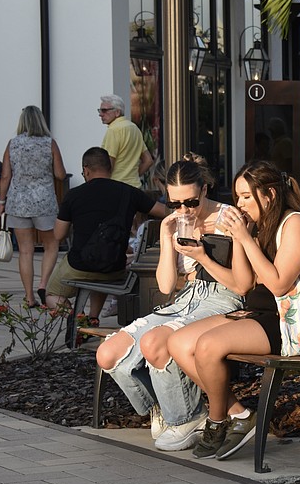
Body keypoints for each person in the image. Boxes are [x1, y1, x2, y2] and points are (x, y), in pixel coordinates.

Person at [167, 160, 300, 460]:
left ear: (270, 195)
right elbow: (244, 284)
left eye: (247, 196)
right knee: (178, 342)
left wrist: (244, 238)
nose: (239, 204)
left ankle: (217, 422)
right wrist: (237, 240)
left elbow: (278, 285)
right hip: (257, 312)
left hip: (288, 320)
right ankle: (239, 414)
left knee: (207, 345)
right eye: (237, 197)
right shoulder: (257, 226)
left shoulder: (296, 223)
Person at [95, 157, 244, 452]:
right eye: (175, 203)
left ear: (204, 189)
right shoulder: (176, 223)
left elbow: (239, 285)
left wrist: (202, 257)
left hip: (221, 298)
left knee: (155, 342)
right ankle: (173, 408)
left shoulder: (228, 217)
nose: (184, 210)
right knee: (108, 354)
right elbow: (165, 286)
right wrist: (166, 236)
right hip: (186, 298)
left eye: (190, 202)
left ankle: (185, 418)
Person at [46, 147, 166, 319]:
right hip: (114, 266)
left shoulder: (74, 195)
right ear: (110, 168)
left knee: (52, 294)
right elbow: (163, 211)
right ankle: (93, 317)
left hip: (79, 265)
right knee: (103, 264)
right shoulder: (128, 192)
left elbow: (58, 235)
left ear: (86, 170)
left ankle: (78, 321)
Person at [0, 105, 67, 307]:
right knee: (51, 245)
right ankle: (43, 284)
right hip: (44, 201)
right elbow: (60, 174)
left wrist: (1, 201)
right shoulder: (49, 144)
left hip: (18, 201)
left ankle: (29, 296)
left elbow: (5, 176)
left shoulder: (13, 144)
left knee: (25, 250)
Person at [98, 94, 153, 189]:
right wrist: (133, 176)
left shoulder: (113, 130)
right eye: (100, 110)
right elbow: (148, 161)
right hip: (135, 187)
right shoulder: (134, 128)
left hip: (116, 188)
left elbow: (108, 164)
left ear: (117, 112)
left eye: (104, 110)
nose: (100, 114)